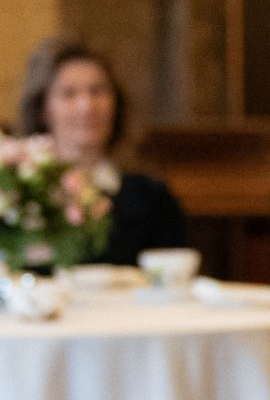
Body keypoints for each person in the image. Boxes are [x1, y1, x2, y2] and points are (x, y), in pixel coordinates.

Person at [16, 38, 188, 267]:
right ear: (42, 109)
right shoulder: (19, 196)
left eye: (98, 91)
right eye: (69, 94)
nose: (87, 106)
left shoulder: (152, 197)